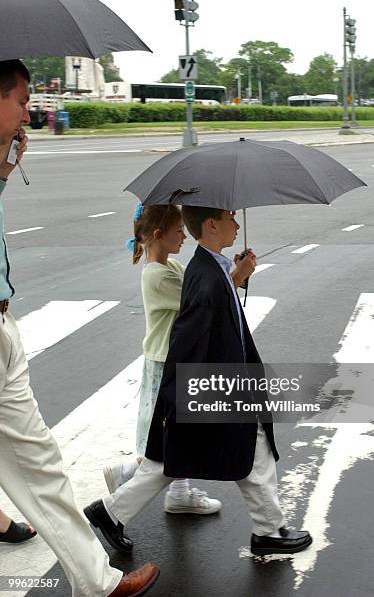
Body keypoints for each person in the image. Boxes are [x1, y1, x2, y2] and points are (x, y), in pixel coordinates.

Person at [0, 59, 159, 596]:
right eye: (22, 100)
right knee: (37, 462)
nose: (30, 111)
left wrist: (1, 169)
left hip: (3, 325)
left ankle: (95, 581)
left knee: (39, 462)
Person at [85, 206, 313, 557]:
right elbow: (189, 341)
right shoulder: (205, 277)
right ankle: (268, 530)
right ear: (211, 224)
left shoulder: (208, 268)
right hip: (213, 383)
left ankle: (112, 512)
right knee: (242, 447)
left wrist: (240, 274)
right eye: (230, 218)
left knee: (181, 457)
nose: (237, 225)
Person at [103, 203, 254, 516]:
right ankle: (129, 474)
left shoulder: (171, 268)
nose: (184, 237)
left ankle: (174, 491)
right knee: (172, 432)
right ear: (159, 234)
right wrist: (239, 274)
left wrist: (231, 270)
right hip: (164, 363)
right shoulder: (156, 276)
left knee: (176, 433)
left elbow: (208, 285)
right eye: (178, 232)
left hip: (173, 358)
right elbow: (205, 298)